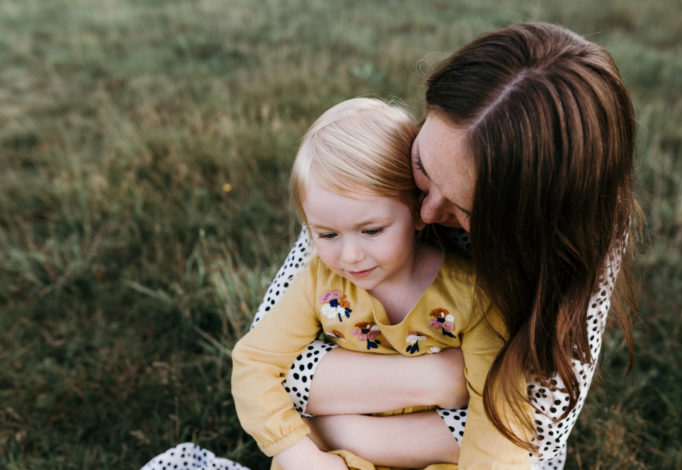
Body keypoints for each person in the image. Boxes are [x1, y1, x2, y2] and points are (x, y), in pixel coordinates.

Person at [143, 21, 639, 470]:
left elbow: (532, 430)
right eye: (423, 168)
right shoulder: (366, 190)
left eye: (466, 209)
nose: (426, 213)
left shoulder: (548, 261)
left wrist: (342, 425)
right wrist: (441, 380)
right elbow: (273, 367)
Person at [231, 96, 531, 470]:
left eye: (371, 230)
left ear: (419, 211)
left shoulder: (471, 294)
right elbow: (253, 362)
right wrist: (294, 450)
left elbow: (496, 405)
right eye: (327, 235)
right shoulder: (318, 283)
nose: (351, 255)